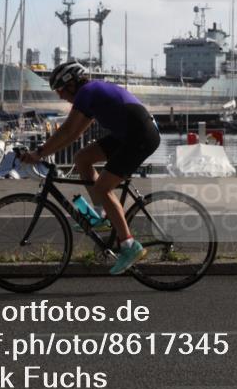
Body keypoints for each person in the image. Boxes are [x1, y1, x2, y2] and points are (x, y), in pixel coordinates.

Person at [22, 61, 160, 274]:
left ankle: (129, 245)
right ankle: (101, 214)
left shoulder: (87, 92)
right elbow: (74, 134)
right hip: (129, 135)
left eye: (60, 89)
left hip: (140, 136)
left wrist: (38, 153)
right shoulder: (90, 95)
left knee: (103, 187)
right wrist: (44, 153)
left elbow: (68, 130)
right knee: (82, 158)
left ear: (72, 84)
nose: (59, 95)